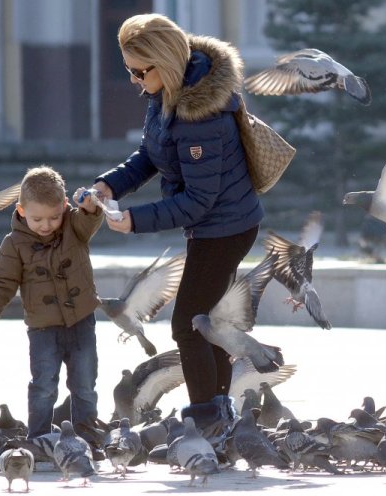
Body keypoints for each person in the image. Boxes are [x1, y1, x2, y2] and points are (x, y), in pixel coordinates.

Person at [87, 13, 264, 440]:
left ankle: (207, 421)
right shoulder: (168, 93)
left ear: (163, 62)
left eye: (138, 71)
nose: (133, 80)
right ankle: (219, 413)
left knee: (189, 324)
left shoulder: (200, 115)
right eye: (127, 71)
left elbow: (198, 202)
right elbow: (151, 155)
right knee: (209, 322)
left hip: (225, 227)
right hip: (216, 223)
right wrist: (110, 185)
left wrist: (134, 221)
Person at [0, 166, 104, 446]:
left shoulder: (73, 227)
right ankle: (40, 437)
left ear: (64, 207)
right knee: (43, 385)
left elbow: (89, 220)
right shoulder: (14, 244)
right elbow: (2, 281)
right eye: (37, 218)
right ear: (21, 211)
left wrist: (90, 209)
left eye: (54, 217)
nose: (46, 225)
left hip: (81, 321)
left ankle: (87, 433)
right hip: (43, 329)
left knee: (85, 384)